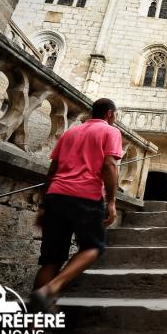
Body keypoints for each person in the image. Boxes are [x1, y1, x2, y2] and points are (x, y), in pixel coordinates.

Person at [30, 98, 122, 315]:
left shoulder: (71, 132)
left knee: (51, 260)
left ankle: (32, 328)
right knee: (93, 247)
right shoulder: (110, 132)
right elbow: (109, 165)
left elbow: (52, 169)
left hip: (56, 196)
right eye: (115, 114)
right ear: (110, 114)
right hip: (85, 196)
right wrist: (111, 201)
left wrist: (44, 204)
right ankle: (51, 290)